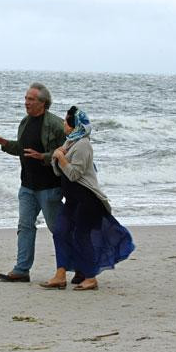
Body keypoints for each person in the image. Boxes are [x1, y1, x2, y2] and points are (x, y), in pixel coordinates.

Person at [40, 106, 135, 291]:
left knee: (81, 236)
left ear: (75, 125)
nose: (63, 124)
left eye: (66, 121)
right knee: (60, 232)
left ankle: (90, 278)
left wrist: (61, 158)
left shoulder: (83, 144)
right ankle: (60, 276)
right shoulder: (69, 143)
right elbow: (57, 170)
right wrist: (57, 157)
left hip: (87, 200)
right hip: (73, 201)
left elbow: (75, 174)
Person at [0, 82, 66, 282]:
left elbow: (66, 151)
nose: (26, 102)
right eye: (26, 98)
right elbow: (22, 148)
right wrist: (3, 142)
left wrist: (43, 157)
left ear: (43, 103)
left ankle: (73, 269)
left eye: (31, 99)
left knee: (59, 229)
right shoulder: (25, 122)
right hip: (27, 185)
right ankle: (21, 270)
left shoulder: (55, 124)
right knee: (25, 226)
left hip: (49, 187)